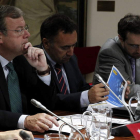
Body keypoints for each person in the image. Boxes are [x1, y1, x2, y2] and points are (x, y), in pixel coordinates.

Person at [34, 14, 110, 112]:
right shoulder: (33, 61)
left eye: (73, 45)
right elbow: (48, 101)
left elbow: (81, 88)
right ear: (46, 43)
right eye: (65, 47)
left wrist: (103, 91)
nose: (71, 52)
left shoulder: (71, 58)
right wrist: (85, 97)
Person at [0, 5, 59, 132]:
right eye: (19, 30)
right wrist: (25, 121)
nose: (27, 34)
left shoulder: (22, 61)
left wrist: (42, 70)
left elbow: (46, 107)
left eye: (25, 28)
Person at [93, 14, 139, 99]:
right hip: (110, 109)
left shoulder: (137, 49)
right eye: (134, 45)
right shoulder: (109, 52)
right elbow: (126, 90)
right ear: (121, 39)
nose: (139, 50)